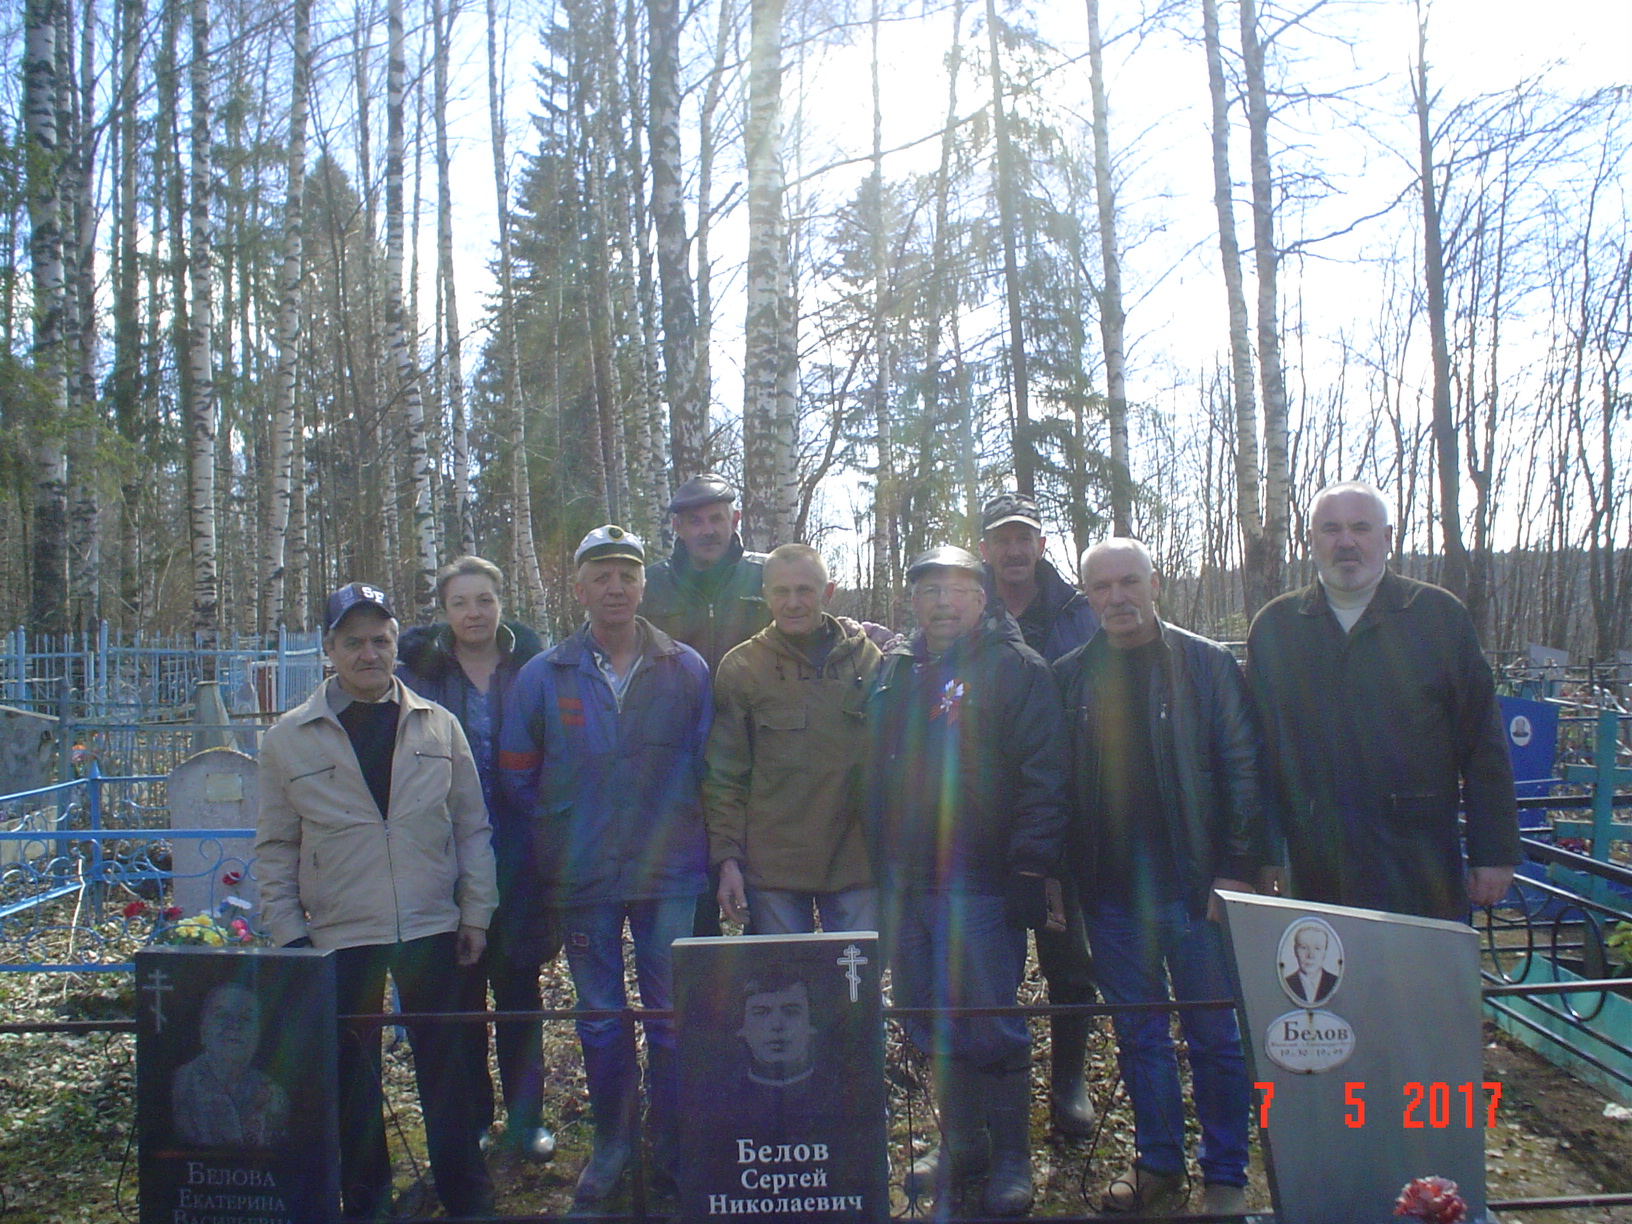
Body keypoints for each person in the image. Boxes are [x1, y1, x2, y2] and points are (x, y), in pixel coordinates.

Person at [256, 581, 497, 1221]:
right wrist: (290, 936)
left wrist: (475, 912)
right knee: (351, 1077)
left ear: (397, 646)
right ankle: (366, 1200)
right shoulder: (289, 739)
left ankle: (466, 1194)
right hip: (339, 932)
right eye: (355, 642)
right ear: (329, 648)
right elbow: (275, 846)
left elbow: (472, 825)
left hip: (429, 926)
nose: (370, 653)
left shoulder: (436, 726)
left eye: (382, 640)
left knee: (447, 1071)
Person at [499, 526, 712, 1205]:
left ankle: (673, 1143)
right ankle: (614, 1144)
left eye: (627, 573)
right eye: (602, 574)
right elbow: (516, 773)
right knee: (598, 1013)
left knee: (672, 1014)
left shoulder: (685, 668)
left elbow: (710, 768)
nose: (616, 586)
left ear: (643, 585)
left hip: (669, 871)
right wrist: (566, 832)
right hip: (582, 874)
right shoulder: (545, 675)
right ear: (580, 586)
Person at [1054, 538, 1264, 1219]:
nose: (1116, 598)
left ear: (1155, 583)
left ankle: (1226, 1172)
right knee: (1140, 1036)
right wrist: (1060, 881)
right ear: (1086, 595)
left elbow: (1240, 769)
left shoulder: (1204, 664)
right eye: (1102, 587)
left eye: (1128, 582)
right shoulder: (1070, 675)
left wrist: (1233, 872)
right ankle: (1159, 1166)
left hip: (1192, 888)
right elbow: (1058, 789)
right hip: (1111, 894)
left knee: (1214, 1034)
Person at [867, 545, 1067, 1217]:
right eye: (928, 591)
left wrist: (1030, 866)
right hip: (905, 880)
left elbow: (1046, 777)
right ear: (913, 602)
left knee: (989, 1017)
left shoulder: (1016, 670)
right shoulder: (895, 671)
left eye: (956, 590)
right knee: (926, 1015)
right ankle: (963, 1140)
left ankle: (1011, 1154)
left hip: (980, 882)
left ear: (982, 600)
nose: (942, 602)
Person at [1247, 481, 1521, 920]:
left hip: (1419, 865)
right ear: (1310, 540)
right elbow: (1258, 752)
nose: (1346, 542)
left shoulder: (1438, 617)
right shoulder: (1276, 628)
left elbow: (1483, 744)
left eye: (1361, 528)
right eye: (1331, 529)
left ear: (1388, 538)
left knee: (1422, 988)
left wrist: (1494, 852)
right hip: (1315, 865)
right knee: (1324, 984)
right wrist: (1263, 853)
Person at [396, 555, 556, 1161]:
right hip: (446, 854)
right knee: (460, 991)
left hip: (519, 852)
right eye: (460, 603)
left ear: (500, 604)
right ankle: (473, 1117)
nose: (474, 613)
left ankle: (526, 1119)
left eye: (484, 600)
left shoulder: (532, 668)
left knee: (519, 987)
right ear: (445, 612)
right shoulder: (423, 674)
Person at [977, 491, 1101, 1138]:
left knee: (1067, 959)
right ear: (985, 549)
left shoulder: (1080, 613)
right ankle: (990, 1095)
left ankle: (1069, 1084)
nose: (1015, 549)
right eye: (1002, 538)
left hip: (1068, 810)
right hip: (987, 815)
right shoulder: (970, 612)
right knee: (986, 959)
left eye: (1025, 537)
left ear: (1043, 546)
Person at [704, 543, 880, 936]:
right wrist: (728, 860)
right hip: (773, 870)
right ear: (765, 596)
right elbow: (725, 776)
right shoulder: (742, 668)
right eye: (781, 592)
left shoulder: (868, 661)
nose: (793, 603)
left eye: (805, 590)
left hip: (855, 863)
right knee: (784, 990)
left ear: (828, 592)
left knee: (854, 989)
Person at [644, 472, 772, 937]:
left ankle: (761, 1000)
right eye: (695, 521)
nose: (708, 530)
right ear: (677, 527)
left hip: (761, 757)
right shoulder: (652, 585)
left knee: (764, 898)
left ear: (735, 518)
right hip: (681, 759)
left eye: (716, 518)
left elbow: (806, 624)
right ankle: (700, 1002)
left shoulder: (766, 574)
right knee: (691, 906)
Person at [172, 982, 290, 1149]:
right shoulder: (178, 1084)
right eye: (222, 1016)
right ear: (203, 1029)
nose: (234, 1026)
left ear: (258, 1034)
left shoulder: (275, 1095)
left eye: (246, 1018)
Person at [1284, 923, 1338, 1006]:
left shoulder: (1334, 983)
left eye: (1317, 948)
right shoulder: (1287, 983)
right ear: (1295, 951)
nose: (1310, 955)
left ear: (1325, 952)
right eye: (1304, 948)